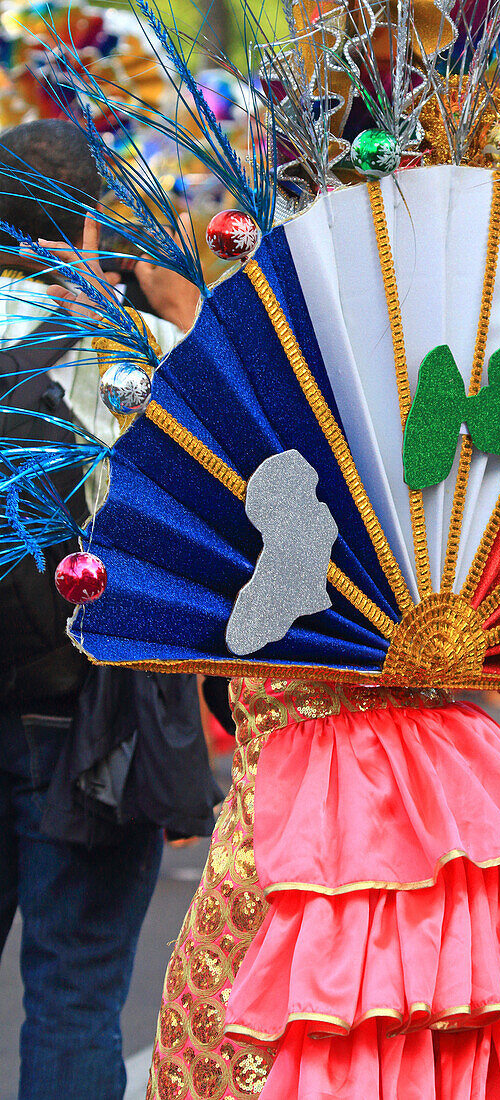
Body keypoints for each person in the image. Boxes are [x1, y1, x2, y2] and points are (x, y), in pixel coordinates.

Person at [0, 119, 219, 1100]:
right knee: (75, 1000)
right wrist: (185, 300)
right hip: (87, 722)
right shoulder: (134, 351)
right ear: (87, 229)